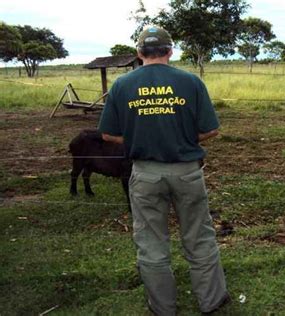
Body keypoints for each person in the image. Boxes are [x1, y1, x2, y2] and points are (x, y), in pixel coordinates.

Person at [98, 26, 229, 315]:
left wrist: (139, 137)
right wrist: (181, 138)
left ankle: (163, 307)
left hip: (145, 174)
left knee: (151, 243)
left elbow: (108, 134)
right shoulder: (190, 82)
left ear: (139, 53)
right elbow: (211, 130)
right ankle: (212, 300)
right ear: (170, 51)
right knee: (199, 236)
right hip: (187, 173)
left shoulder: (122, 85)